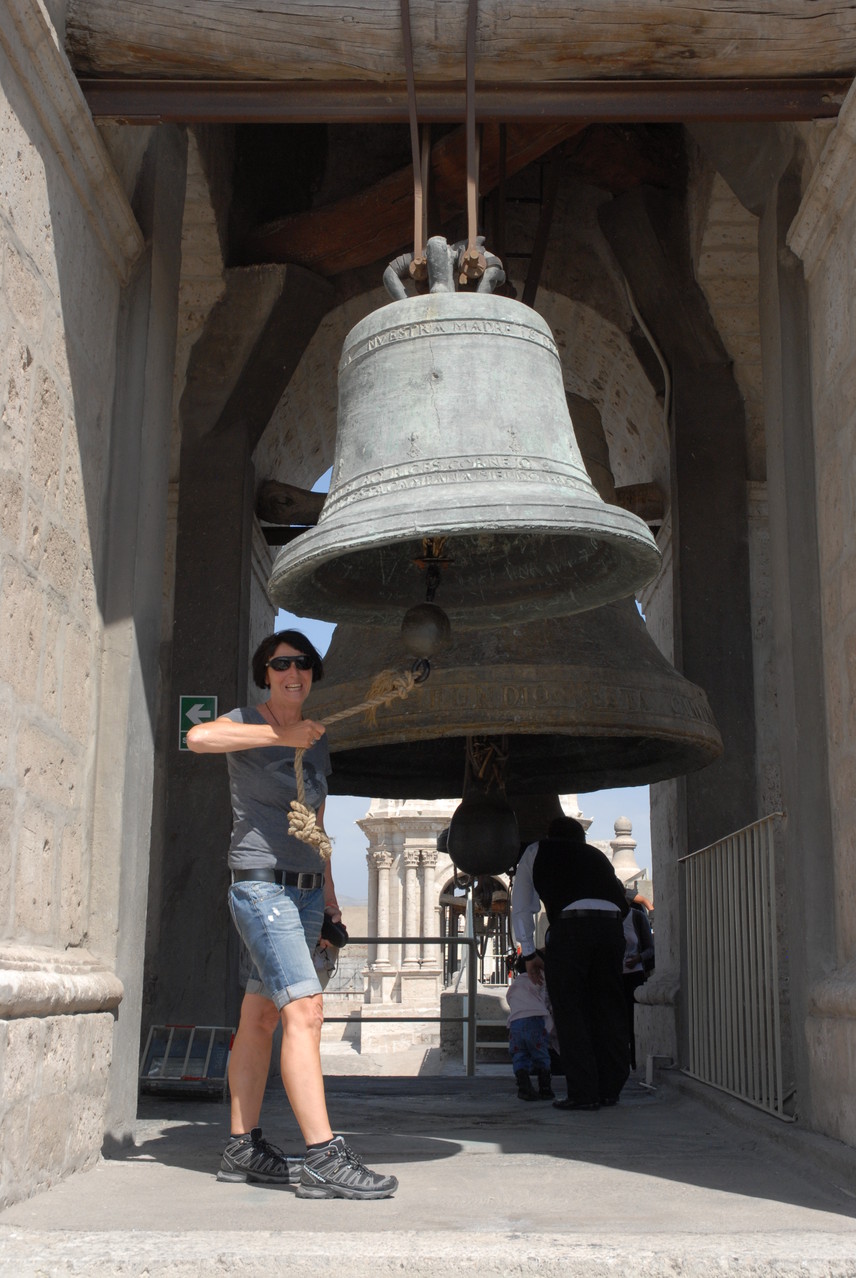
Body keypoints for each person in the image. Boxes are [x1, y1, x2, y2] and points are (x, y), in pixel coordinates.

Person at [187, 628, 398, 1200]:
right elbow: (198, 736)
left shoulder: (318, 741)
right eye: (282, 663)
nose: (293, 672)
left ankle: (240, 1146)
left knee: (260, 1019)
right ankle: (323, 1155)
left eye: (303, 664)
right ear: (266, 673)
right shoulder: (243, 722)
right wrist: (279, 732)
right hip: (261, 888)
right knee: (305, 1011)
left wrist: (329, 899)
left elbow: (318, 825)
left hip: (304, 892)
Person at [511, 815, 630, 1112]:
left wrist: (528, 955)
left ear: (550, 834)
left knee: (570, 1009)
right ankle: (610, 1088)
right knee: (608, 1006)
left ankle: (584, 1093)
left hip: (570, 927)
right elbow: (621, 901)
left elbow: (523, 907)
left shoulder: (537, 851)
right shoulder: (596, 856)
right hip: (611, 926)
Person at [506, 954, 555, 1101]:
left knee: (520, 1055)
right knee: (540, 1054)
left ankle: (524, 1087)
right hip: (534, 1021)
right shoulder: (540, 979)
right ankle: (545, 1088)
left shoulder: (515, 985)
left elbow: (511, 1001)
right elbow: (547, 1000)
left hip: (515, 1024)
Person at [622, 893, 655, 1071]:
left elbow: (650, 949)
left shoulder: (637, 918)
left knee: (633, 1020)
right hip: (615, 977)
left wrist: (638, 958)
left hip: (634, 975)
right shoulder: (610, 919)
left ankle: (635, 1061)